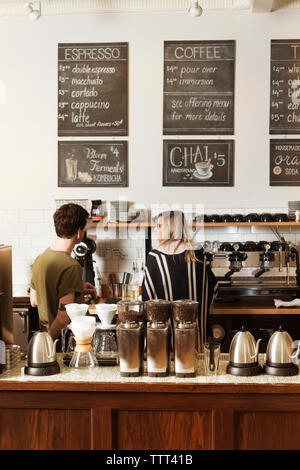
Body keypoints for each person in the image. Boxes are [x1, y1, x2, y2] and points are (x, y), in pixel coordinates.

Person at [142, 210, 218, 349]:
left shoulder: (155, 257)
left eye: (159, 226)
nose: (154, 229)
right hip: (197, 335)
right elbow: (214, 286)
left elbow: (147, 299)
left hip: (165, 339)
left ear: (171, 228)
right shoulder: (198, 253)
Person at [30, 203, 97, 340]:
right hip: (61, 338)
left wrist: (77, 289)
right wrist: (48, 344)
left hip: (45, 333)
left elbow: (35, 301)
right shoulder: (71, 266)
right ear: (79, 232)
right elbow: (63, 318)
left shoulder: (40, 258)